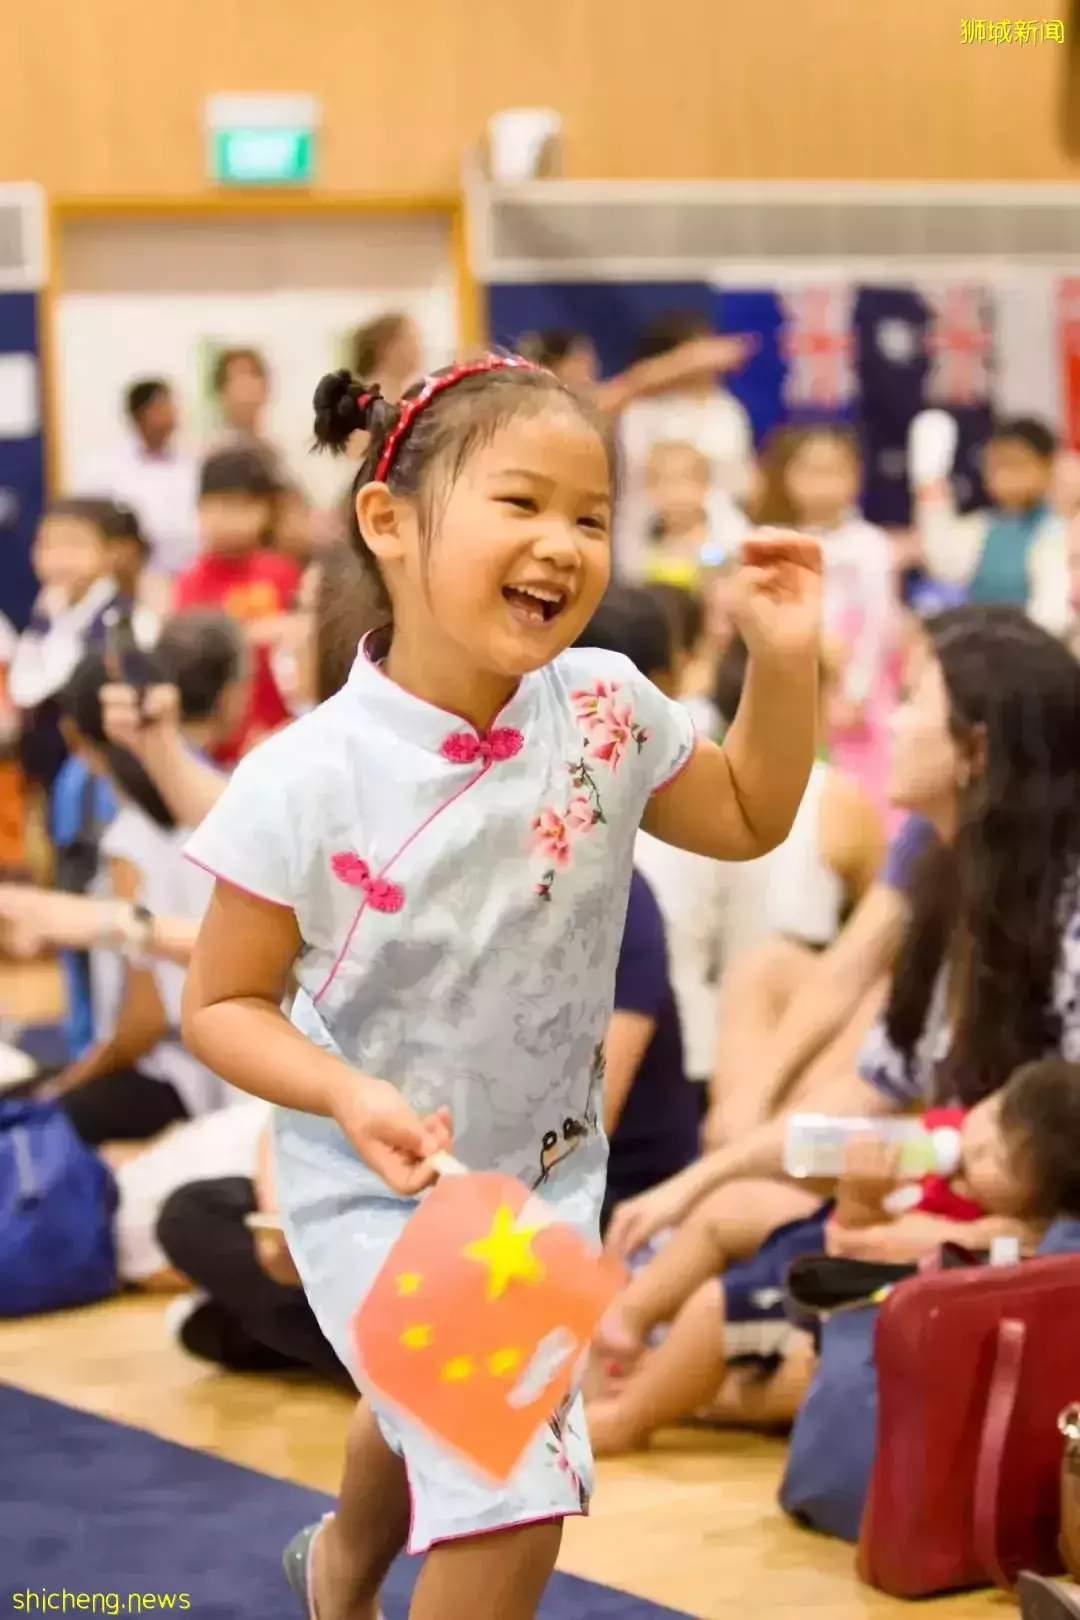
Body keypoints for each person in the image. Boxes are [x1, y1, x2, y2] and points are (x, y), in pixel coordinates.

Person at [178, 351, 822, 1620]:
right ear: (390, 522)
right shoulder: (305, 779)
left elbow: (749, 814)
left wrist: (784, 660)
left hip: (546, 1174)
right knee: (515, 1482)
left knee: (431, 1404)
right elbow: (222, 1005)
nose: (563, 544)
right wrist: (346, 1093)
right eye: (522, 504)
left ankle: (342, 1569)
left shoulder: (605, 708)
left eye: (592, 517)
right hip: (372, 1181)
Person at [603, 607, 1080, 1436]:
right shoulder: (942, 869)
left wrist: (1004, 1236)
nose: (886, 720)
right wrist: (699, 1178)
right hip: (940, 1196)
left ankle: (659, 1387)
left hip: (1015, 1247)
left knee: (752, 1333)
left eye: (911, 697)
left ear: (974, 750)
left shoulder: (1061, 915)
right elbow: (871, 1078)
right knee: (717, 1226)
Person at [586, 1057, 1079, 1454]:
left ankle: (627, 1420)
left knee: (715, 1310)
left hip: (843, 1288)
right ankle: (623, 1325)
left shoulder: (990, 1229)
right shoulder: (941, 1139)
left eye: (1001, 1159)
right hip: (824, 1242)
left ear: (1038, 1198)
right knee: (723, 1214)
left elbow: (853, 1250)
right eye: (990, 1116)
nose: (976, 1143)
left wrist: (862, 1196)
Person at [637, 631, 885, 1104]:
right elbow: (880, 936)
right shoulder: (836, 798)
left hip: (694, 1044)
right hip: (787, 1048)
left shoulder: (680, 784)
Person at [43, 614, 246, 1146]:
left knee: (40, 1119)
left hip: (183, 1072)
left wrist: (72, 1079)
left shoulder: (131, 839)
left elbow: (144, 1019)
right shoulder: (226, 793)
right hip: (214, 1064)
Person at [756, 423, 897, 811]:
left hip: (857, 684)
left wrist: (856, 690)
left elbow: (879, 624)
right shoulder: (775, 540)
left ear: (856, 477)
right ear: (787, 477)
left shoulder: (870, 544)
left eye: (834, 471)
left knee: (859, 779)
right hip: (797, 670)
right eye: (810, 472)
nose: (822, 484)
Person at [10, 498, 159, 793]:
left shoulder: (132, 622)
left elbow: (61, 681)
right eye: (46, 546)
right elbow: (23, 688)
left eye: (73, 545)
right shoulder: (46, 615)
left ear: (111, 553)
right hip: (46, 774)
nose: (58, 559)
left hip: (109, 779)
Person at [174, 447, 301, 761]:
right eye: (220, 507)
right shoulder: (189, 584)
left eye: (243, 507)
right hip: (220, 746)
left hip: (284, 732)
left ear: (266, 511)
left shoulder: (283, 573)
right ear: (200, 509)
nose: (230, 519)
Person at [916, 415, 1069, 634]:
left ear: (1046, 467)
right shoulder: (982, 526)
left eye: (1015, 464)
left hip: (1036, 649)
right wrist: (930, 486)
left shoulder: (1056, 531)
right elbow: (942, 562)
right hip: (983, 647)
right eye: (995, 465)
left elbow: (1054, 609)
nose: (1004, 475)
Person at [72, 379, 199, 578]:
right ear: (139, 413)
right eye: (162, 406)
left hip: (185, 573)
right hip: (127, 576)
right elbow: (88, 524)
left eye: (172, 407)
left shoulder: (190, 465)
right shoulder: (102, 467)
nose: (171, 414)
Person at [351, 313, 425, 402]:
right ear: (385, 348)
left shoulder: (410, 395)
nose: (417, 348)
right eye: (410, 340)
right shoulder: (366, 402)